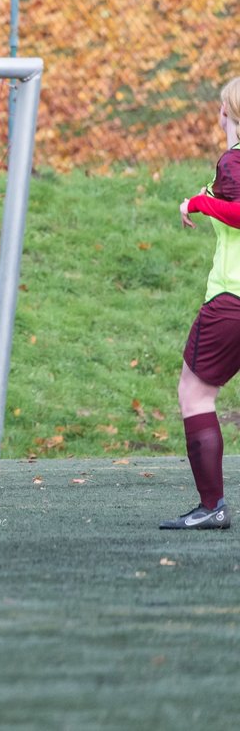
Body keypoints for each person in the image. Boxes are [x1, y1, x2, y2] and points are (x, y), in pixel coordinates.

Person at [165, 77, 240, 529]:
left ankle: (212, 508)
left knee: (194, 393)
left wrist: (198, 202)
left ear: (228, 113)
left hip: (233, 298)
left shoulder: (233, 163)